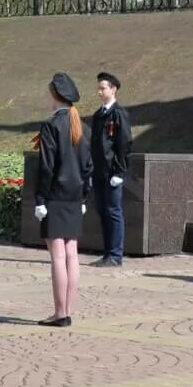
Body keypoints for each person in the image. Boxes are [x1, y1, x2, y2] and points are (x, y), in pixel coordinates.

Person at [34, 72, 91, 326]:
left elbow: (46, 166)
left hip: (55, 195)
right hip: (74, 195)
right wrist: (83, 197)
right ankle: (67, 311)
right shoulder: (83, 126)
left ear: (55, 96)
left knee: (58, 255)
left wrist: (39, 199)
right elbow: (88, 166)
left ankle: (60, 313)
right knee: (72, 254)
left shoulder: (51, 125)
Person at [88, 71, 131, 268]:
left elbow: (124, 143)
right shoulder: (99, 115)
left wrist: (119, 172)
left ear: (113, 89)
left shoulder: (118, 113)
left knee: (114, 211)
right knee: (103, 211)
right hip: (98, 171)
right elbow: (94, 144)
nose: (99, 91)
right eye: (99, 88)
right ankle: (107, 253)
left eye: (103, 88)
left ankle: (115, 254)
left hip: (112, 172)